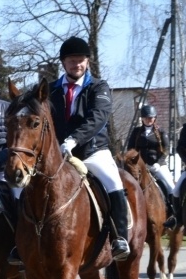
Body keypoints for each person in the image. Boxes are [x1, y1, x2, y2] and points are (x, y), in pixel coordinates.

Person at [50, 36, 130, 261]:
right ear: (63, 63)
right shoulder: (51, 90)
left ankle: (119, 238)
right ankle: (23, 242)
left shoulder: (98, 87)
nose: (77, 64)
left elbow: (98, 117)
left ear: (88, 62)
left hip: (92, 151)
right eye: (72, 61)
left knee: (113, 182)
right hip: (59, 154)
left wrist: (74, 140)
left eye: (81, 60)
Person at [127, 105, 177, 228]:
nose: (149, 120)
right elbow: (131, 149)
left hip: (158, 166)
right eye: (147, 118)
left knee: (171, 186)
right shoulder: (136, 132)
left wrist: (158, 163)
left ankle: (173, 215)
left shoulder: (161, 132)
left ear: (155, 118)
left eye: (151, 118)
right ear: (142, 118)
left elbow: (165, 150)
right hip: (141, 167)